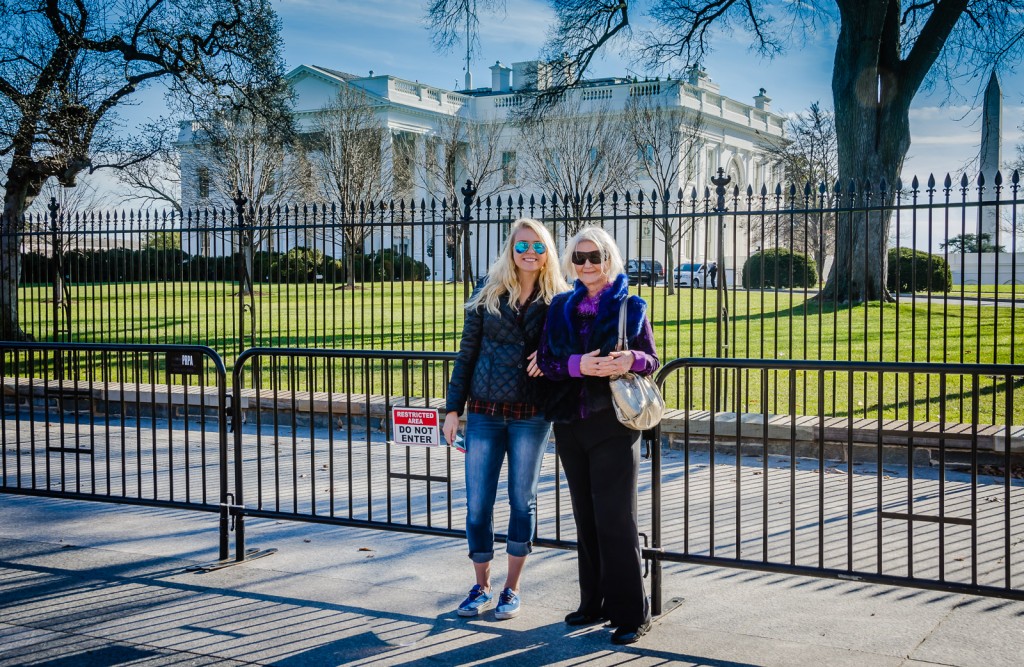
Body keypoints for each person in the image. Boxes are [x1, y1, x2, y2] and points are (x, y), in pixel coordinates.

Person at [536, 227, 660, 646]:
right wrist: (577, 366)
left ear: (610, 258)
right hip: (571, 423)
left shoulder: (630, 305)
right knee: (585, 518)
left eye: (596, 257)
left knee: (615, 518)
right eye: (580, 258)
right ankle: (594, 603)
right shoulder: (559, 307)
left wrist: (632, 357)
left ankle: (631, 612)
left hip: (614, 423)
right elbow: (548, 362)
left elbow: (651, 360)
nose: (587, 265)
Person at [443, 218, 569, 620]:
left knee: (521, 500)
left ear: (547, 251)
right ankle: (480, 585)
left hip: (531, 415)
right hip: (484, 413)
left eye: (537, 246)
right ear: (510, 250)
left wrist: (549, 361)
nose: (529, 253)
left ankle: (511, 590)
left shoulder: (560, 300)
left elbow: (571, 355)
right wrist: (452, 409)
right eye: (521, 246)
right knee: (478, 503)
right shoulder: (488, 292)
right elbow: (466, 354)